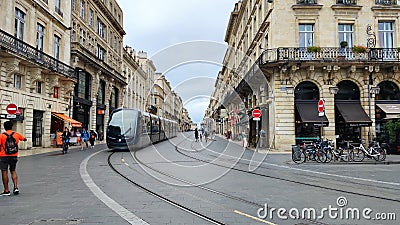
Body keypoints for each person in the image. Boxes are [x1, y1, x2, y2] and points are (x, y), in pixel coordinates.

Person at [0, 121, 27, 196]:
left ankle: (6, 190)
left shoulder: (1, 136)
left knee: (4, 171)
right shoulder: (16, 134)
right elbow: (24, 139)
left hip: (3, 156)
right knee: (13, 170)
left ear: (4, 127)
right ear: (12, 127)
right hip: (14, 155)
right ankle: (15, 187)